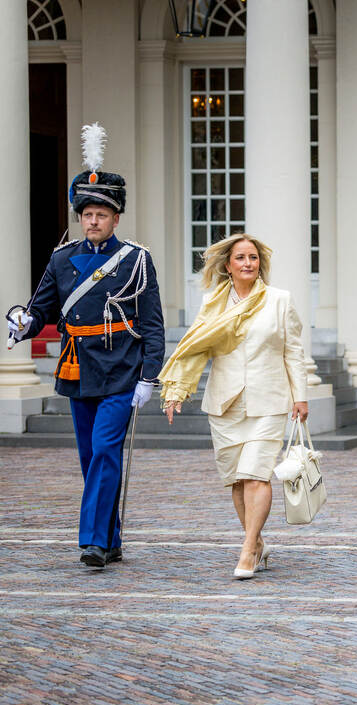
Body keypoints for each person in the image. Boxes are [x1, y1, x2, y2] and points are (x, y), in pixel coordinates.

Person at [6, 123, 164, 568]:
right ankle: (111, 538)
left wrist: (149, 376)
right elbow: (42, 310)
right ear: (80, 217)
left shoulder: (136, 259)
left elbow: (152, 323)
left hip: (120, 369)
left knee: (105, 449)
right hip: (78, 368)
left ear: (116, 218)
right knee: (90, 455)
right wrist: (23, 324)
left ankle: (92, 541)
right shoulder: (61, 258)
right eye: (87, 214)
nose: (93, 221)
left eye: (102, 215)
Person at [159, 233, 308, 579]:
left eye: (253, 258)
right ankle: (257, 543)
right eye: (240, 257)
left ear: (261, 264)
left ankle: (247, 549)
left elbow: (293, 351)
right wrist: (176, 391)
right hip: (224, 403)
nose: (247, 263)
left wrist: (299, 395)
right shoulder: (213, 303)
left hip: (268, 401)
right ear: (228, 265)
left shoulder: (279, 300)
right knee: (238, 481)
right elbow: (194, 348)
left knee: (257, 475)